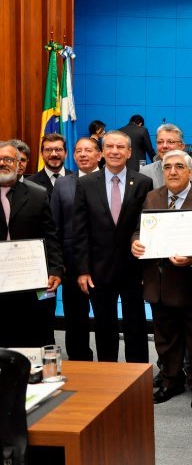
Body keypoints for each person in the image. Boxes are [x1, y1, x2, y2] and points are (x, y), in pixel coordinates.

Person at [131, 151, 192, 408]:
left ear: (190, 171)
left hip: (190, 283)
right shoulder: (152, 197)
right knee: (165, 338)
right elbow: (139, 229)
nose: (173, 171)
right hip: (158, 282)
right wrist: (135, 242)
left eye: (179, 166)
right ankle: (171, 380)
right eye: (168, 167)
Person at [73, 130, 153, 363]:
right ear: (102, 152)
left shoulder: (143, 183)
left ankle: (138, 374)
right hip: (98, 269)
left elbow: (146, 224)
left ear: (129, 152)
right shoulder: (86, 183)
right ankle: (107, 373)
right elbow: (80, 230)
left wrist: (146, 268)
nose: (115, 151)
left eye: (120, 147)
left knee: (136, 325)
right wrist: (82, 270)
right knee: (104, 325)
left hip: (133, 268)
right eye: (109, 146)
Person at [0, 141, 63, 348]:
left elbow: (50, 235)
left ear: (18, 163)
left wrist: (55, 269)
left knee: (37, 333)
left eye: (8, 159)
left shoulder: (37, 193)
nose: (3, 163)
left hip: (34, 281)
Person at [50, 138, 101, 361]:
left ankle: (109, 365)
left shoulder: (109, 180)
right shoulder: (63, 184)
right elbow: (55, 226)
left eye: (88, 150)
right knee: (75, 318)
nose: (83, 154)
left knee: (105, 318)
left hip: (104, 263)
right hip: (71, 263)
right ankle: (80, 361)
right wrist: (58, 262)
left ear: (99, 155)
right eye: (78, 151)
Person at [140, 123, 192, 188]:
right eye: (160, 142)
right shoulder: (145, 172)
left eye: (170, 142)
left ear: (181, 146)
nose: (164, 146)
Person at [27, 133, 72, 198]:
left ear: (66, 153)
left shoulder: (78, 180)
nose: (54, 154)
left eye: (58, 149)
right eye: (48, 150)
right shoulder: (29, 184)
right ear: (41, 154)